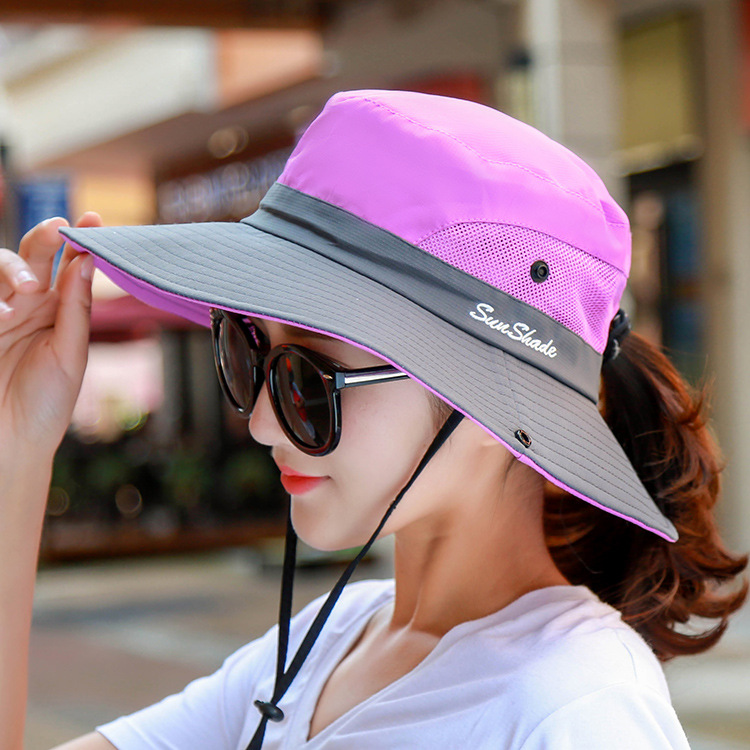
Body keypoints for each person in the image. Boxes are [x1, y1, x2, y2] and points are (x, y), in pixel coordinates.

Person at [1, 90, 747, 750]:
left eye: (309, 379)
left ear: (496, 401)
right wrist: (18, 443)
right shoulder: (327, 643)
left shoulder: (572, 711)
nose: (261, 424)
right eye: (248, 352)